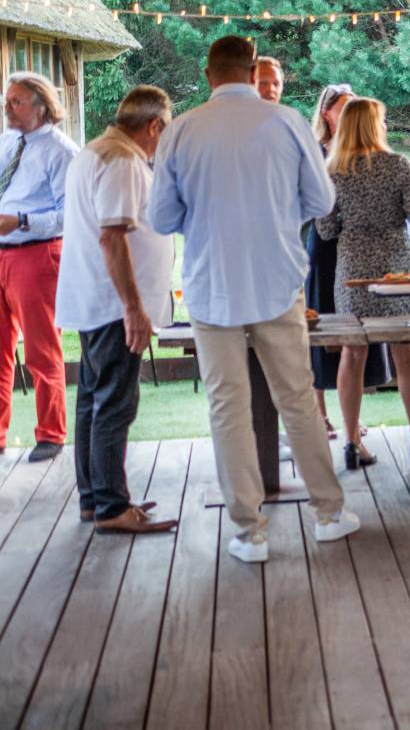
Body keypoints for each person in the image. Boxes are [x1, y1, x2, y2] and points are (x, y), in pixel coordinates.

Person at [148, 36, 360, 563]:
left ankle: (249, 532)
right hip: (276, 281)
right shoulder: (286, 122)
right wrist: (278, 213)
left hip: (211, 283)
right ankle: (329, 513)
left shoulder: (181, 130)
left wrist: (204, 213)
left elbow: (162, 218)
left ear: (208, 74)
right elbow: (321, 201)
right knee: (298, 399)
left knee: (227, 407)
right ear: (251, 72)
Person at [56, 86, 177, 533]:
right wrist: (133, 308)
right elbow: (112, 236)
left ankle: (95, 498)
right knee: (114, 404)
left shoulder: (94, 151)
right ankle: (111, 506)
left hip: (94, 299)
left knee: (92, 400)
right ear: (154, 126)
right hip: (112, 305)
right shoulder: (123, 160)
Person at [315, 97, 410, 471]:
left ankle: (351, 442)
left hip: (353, 271)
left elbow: (325, 229)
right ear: (374, 125)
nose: (385, 126)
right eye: (381, 121)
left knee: (352, 354)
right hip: (395, 270)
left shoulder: (332, 171)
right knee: (406, 354)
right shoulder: (398, 165)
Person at [0, 71, 76, 461]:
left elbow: (69, 215)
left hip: (37, 253)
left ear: (42, 107)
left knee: (41, 350)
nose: (8, 108)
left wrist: (22, 221)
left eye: (17, 101)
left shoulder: (62, 151)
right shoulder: (7, 142)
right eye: (7, 100)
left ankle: (51, 433)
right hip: (2, 252)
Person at [304, 83, 387, 434]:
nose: (350, 114)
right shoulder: (315, 152)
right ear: (327, 114)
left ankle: (351, 417)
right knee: (323, 326)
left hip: (357, 251)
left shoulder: (364, 152)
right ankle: (318, 413)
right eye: (343, 108)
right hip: (324, 248)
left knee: (354, 332)